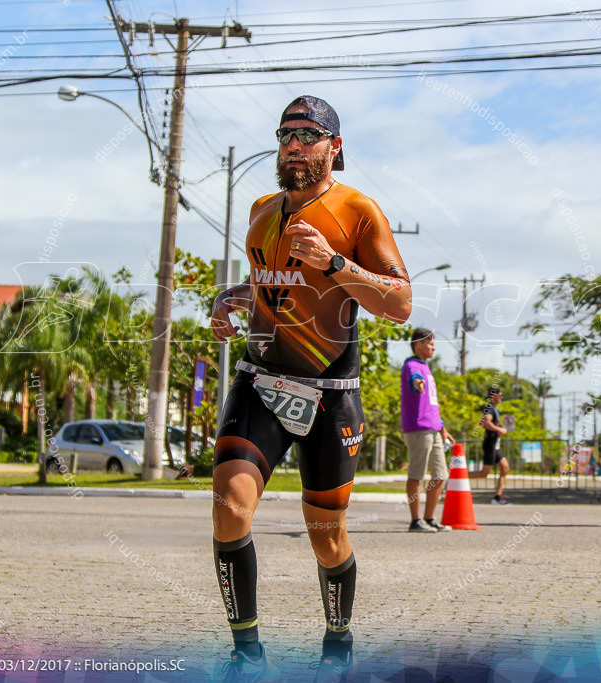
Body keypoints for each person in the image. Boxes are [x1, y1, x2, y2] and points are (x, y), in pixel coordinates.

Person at [208, 95, 411, 681]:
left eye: (308, 134)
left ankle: (338, 637)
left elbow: (399, 303)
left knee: (327, 538)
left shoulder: (358, 211)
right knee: (230, 508)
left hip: (330, 390)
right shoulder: (260, 210)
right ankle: (247, 652)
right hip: (260, 383)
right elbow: (266, 288)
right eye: (285, 133)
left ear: (334, 147)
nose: (293, 144)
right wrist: (231, 300)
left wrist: (334, 265)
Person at [400, 328, 455, 533]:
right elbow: (414, 379)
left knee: (440, 474)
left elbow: (431, 401)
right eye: (430, 344)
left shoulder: (427, 368)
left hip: (434, 428)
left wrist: (443, 427)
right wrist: (417, 383)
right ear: (418, 345)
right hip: (418, 428)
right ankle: (415, 521)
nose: (433, 348)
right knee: (417, 474)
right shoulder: (411, 366)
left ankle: (429, 518)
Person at [469, 387, 511, 504]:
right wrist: (500, 429)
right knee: (484, 473)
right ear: (494, 396)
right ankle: (457, 477)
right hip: (490, 445)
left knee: (505, 468)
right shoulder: (490, 408)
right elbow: (484, 423)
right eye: (501, 395)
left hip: (495, 445)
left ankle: (497, 497)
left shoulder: (494, 409)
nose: (502, 398)